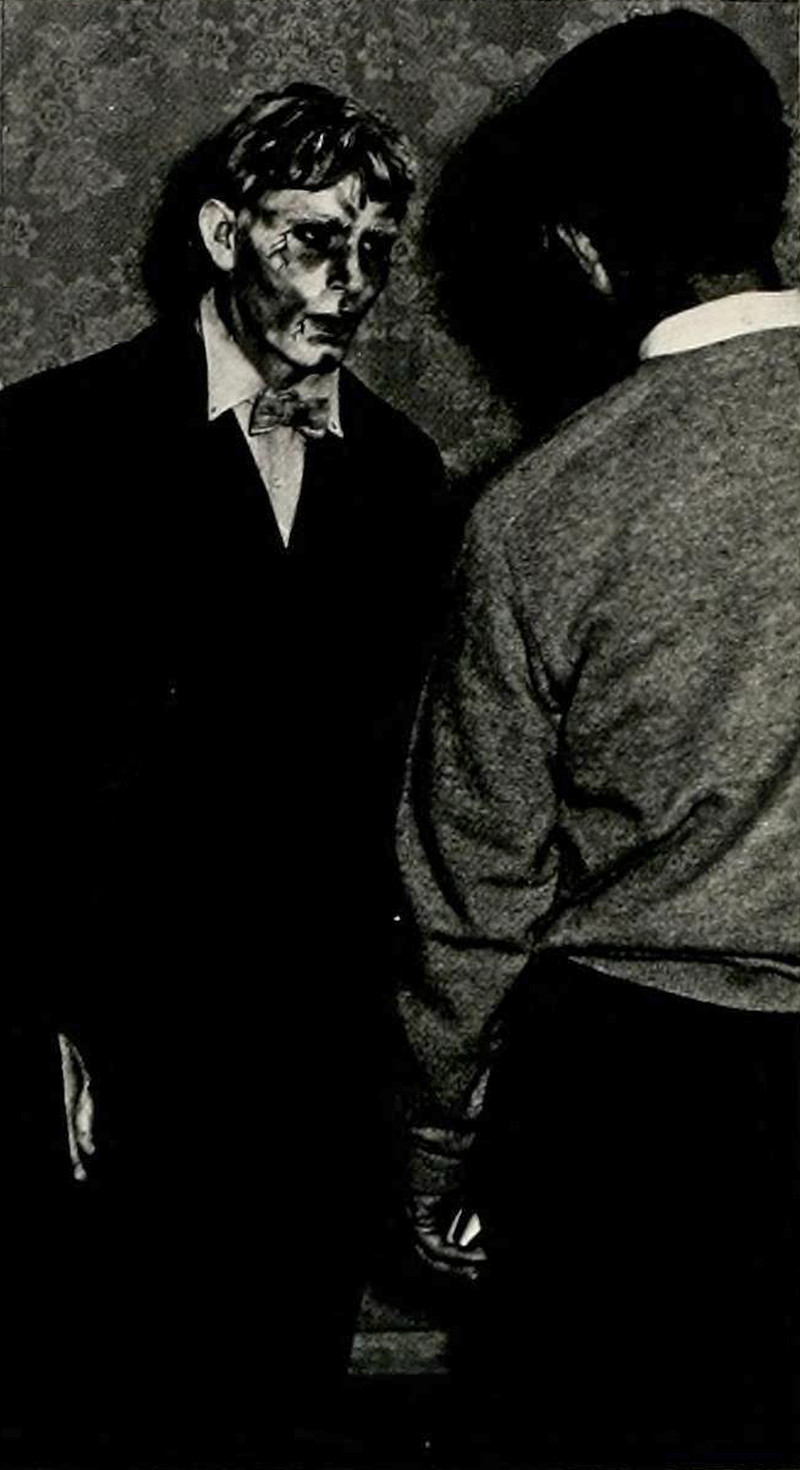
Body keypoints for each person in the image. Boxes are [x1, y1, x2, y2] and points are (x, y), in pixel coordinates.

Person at [2, 82, 449, 1451]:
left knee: (278, 1402)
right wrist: (33, 1019)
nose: (348, 281)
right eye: (313, 238)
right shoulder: (50, 443)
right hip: (115, 1042)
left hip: (315, 1059)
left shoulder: (404, 475)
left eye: (374, 249)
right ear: (220, 233)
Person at [394, 11, 799, 1464]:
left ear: (578, 249)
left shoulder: (538, 514)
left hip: (640, 1114)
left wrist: (438, 1147)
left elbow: (470, 894)